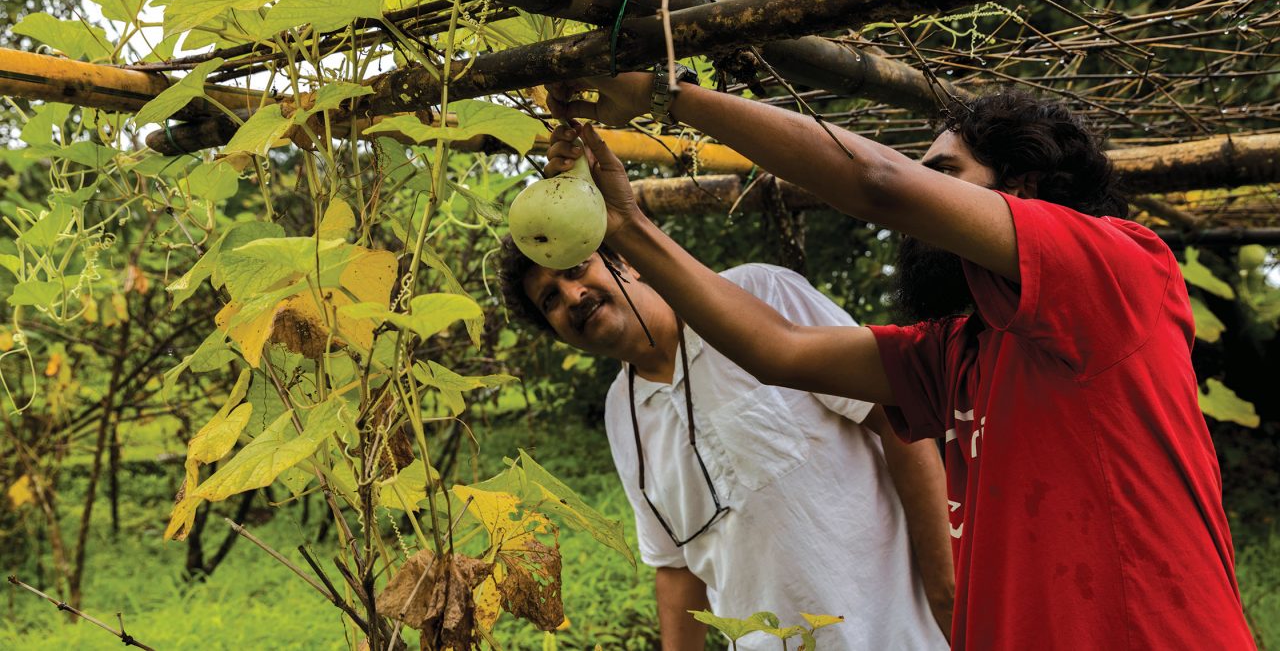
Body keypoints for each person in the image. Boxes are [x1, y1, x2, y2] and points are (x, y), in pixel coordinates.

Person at [539, 74, 1256, 650]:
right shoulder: (961, 348)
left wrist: (669, 96)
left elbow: (879, 183)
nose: (924, 194)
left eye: (944, 172)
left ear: (1024, 192)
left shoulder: (1117, 272)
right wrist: (628, 225)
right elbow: (777, 350)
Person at [498, 239, 953, 650]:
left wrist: (946, 592)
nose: (573, 297)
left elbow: (898, 422)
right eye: (550, 299)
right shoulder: (622, 413)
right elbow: (676, 568)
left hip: (900, 631)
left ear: (625, 262)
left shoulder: (756, 293)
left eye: (576, 269)